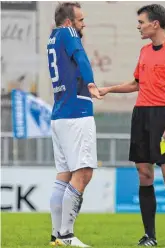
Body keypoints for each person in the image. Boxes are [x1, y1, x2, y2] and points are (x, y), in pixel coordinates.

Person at [99, 4, 165, 247]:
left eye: (141, 22)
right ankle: (149, 235)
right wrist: (108, 89)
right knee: (144, 174)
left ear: (155, 24)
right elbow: (136, 84)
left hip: (164, 117)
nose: (138, 26)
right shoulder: (144, 51)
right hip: (141, 116)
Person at [47, 2, 102, 247]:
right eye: (80, 20)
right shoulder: (68, 34)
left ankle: (56, 235)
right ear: (69, 22)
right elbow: (79, 56)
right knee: (84, 172)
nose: (83, 24)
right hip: (76, 112)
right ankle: (66, 236)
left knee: (64, 175)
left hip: (60, 114)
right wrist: (91, 82)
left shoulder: (53, 38)